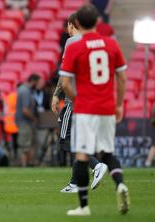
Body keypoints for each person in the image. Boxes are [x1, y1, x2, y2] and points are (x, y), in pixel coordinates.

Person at [59, 4, 129, 216]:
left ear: (77, 23)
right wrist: (118, 105)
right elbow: (122, 78)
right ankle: (120, 185)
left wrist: (76, 100)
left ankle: (83, 206)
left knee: (81, 154)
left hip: (85, 107)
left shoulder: (74, 46)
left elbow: (65, 83)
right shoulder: (111, 44)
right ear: (98, 22)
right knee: (107, 152)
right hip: (107, 106)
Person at [52, 12, 108, 193]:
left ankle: (96, 165)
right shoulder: (95, 43)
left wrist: (56, 95)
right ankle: (75, 183)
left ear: (71, 25)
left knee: (66, 140)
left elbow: (65, 73)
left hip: (74, 100)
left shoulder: (72, 42)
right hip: (91, 100)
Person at [15, 74, 40, 167]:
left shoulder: (25, 90)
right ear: (34, 81)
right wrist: (34, 118)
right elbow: (25, 110)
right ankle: (24, 165)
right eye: (38, 82)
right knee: (24, 145)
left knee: (28, 144)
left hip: (25, 122)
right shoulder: (25, 91)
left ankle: (28, 164)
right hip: (25, 122)